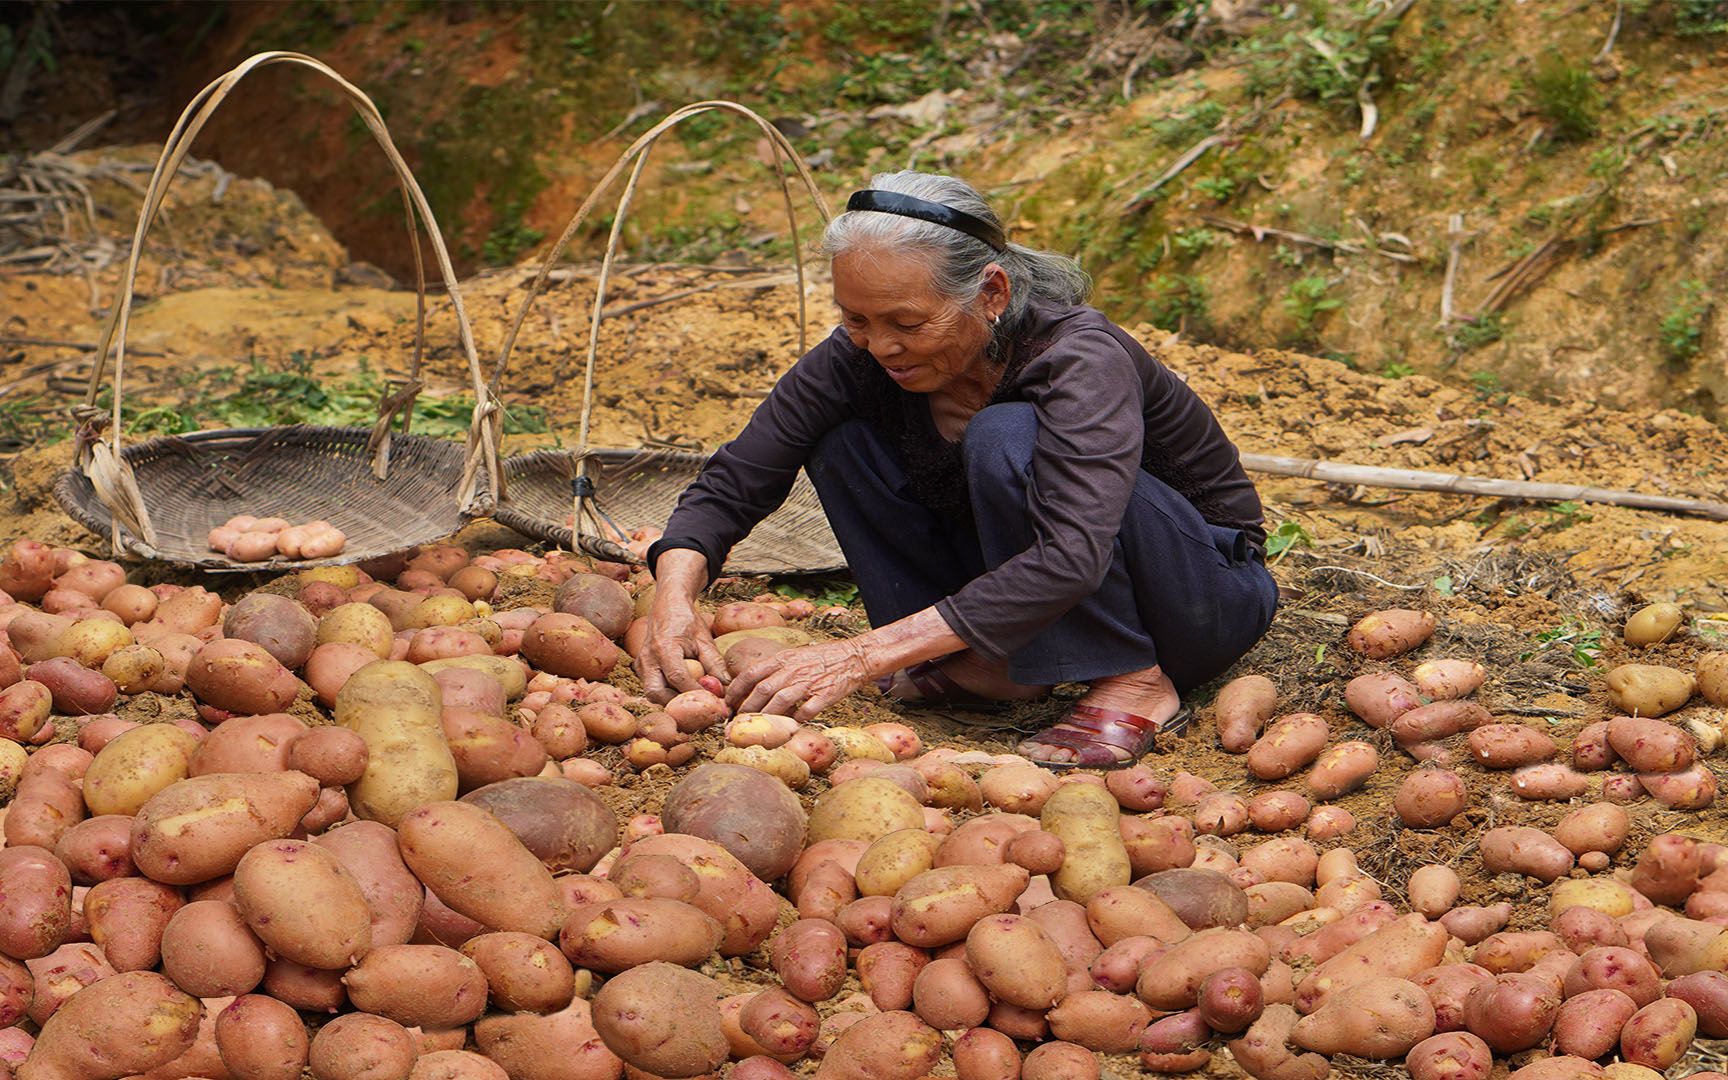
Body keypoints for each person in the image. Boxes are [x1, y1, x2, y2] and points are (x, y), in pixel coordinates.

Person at [638, 170, 1278, 769]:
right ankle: (990, 662)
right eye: (855, 318)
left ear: (991, 292)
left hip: (1197, 596)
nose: (881, 346)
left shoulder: (1079, 357)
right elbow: (737, 477)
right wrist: (673, 596)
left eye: (908, 323)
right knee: (839, 438)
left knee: (1005, 433)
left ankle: (1132, 676)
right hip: (1033, 601)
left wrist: (861, 655)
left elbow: (1072, 554)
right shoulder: (856, 358)